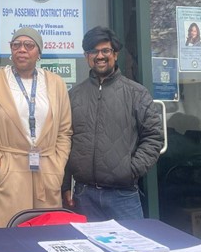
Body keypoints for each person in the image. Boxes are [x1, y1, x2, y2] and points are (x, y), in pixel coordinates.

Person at [62, 26, 163, 221]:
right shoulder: (74, 96)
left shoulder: (136, 93)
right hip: (84, 196)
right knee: (87, 251)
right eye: (93, 51)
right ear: (86, 56)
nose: (100, 56)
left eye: (105, 50)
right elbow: (64, 141)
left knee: (132, 251)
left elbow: (154, 137)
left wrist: (130, 170)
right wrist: (65, 186)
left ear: (115, 54)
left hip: (123, 196)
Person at [0, 27, 72, 228]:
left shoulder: (56, 84)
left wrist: (58, 164)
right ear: (10, 50)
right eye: (16, 45)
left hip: (47, 170)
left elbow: (64, 131)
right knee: (9, 236)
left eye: (29, 45)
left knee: (47, 235)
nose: (22, 49)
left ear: (39, 52)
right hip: (9, 170)